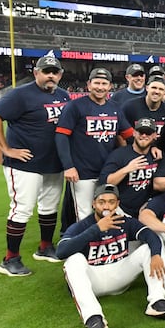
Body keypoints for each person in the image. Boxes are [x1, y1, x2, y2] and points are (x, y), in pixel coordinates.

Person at [0, 55, 70, 276]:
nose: (50, 75)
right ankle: (10, 259)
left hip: (53, 163)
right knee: (22, 209)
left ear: (60, 75)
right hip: (25, 164)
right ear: (36, 73)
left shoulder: (63, 95)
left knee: (50, 207)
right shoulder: (20, 94)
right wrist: (6, 149)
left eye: (54, 72)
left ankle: (45, 247)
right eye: (46, 71)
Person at [56, 183, 165, 328]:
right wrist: (96, 229)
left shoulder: (125, 222)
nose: (106, 206)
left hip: (120, 274)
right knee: (73, 261)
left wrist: (156, 255)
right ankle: (94, 318)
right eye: (102, 202)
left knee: (148, 250)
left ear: (117, 204)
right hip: (94, 281)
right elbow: (61, 252)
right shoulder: (82, 226)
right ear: (93, 204)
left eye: (111, 202)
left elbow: (150, 235)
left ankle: (157, 302)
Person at [56, 68, 134, 223]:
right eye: (96, 83)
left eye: (104, 83)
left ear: (110, 86)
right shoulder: (75, 106)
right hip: (82, 171)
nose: (100, 87)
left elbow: (129, 135)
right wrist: (68, 166)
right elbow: (61, 136)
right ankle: (83, 240)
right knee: (84, 215)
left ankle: (107, 238)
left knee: (110, 211)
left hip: (107, 171)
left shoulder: (115, 108)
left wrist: (151, 147)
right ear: (89, 85)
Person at [98, 118, 159, 216]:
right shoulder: (119, 154)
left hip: (146, 210)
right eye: (140, 132)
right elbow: (105, 183)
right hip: (121, 210)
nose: (144, 135)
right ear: (134, 133)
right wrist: (126, 169)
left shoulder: (157, 156)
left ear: (154, 136)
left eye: (148, 133)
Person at [121, 76, 165, 154]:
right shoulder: (130, 107)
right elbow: (120, 134)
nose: (157, 91)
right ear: (147, 88)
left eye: (161, 89)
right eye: (154, 88)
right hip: (131, 152)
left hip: (156, 154)